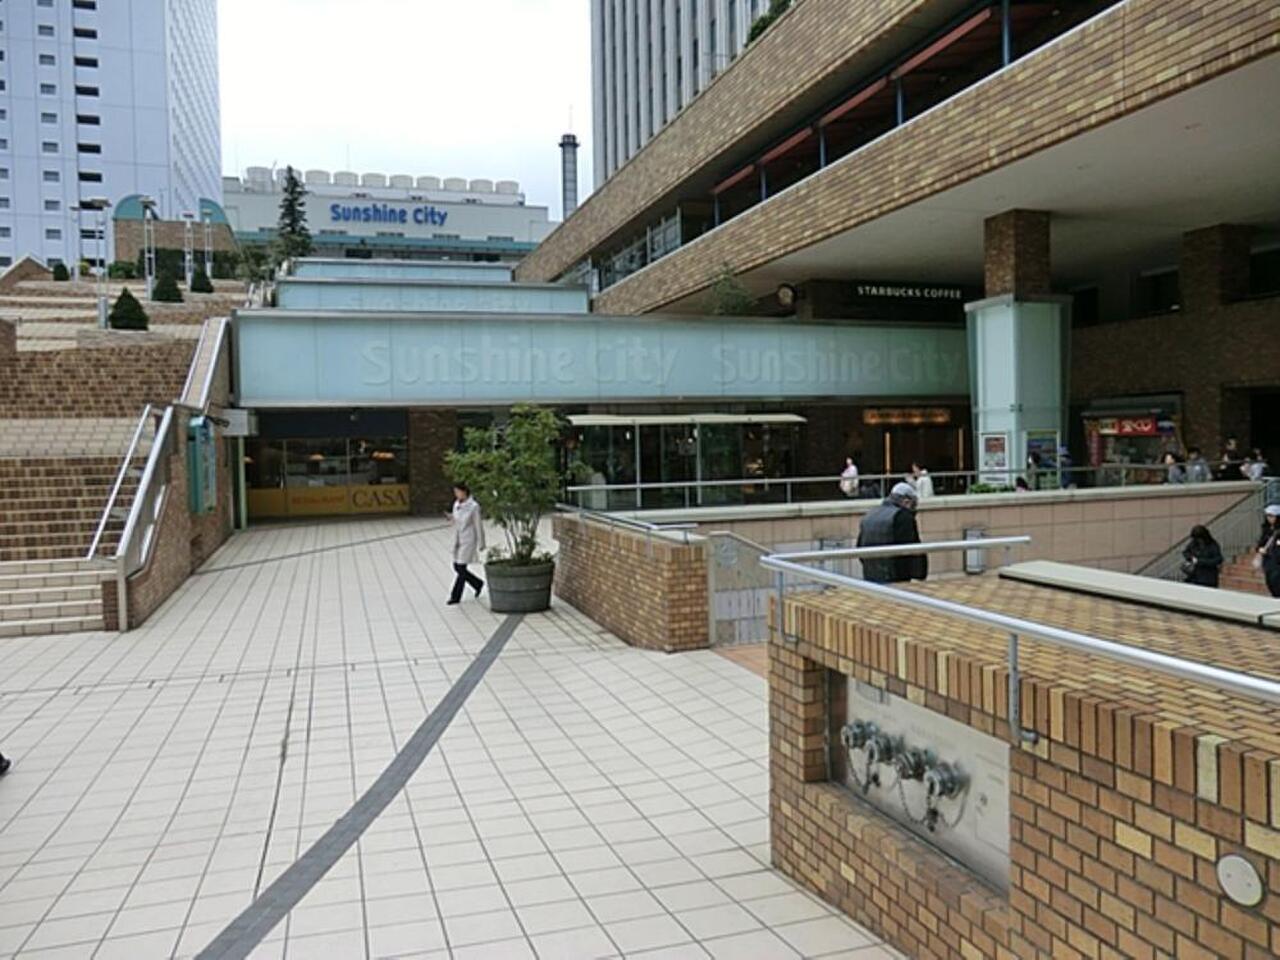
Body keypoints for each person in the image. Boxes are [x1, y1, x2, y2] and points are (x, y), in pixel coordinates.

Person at [855, 482, 927, 583]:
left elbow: (860, 547)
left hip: (871, 574)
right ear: (907, 502)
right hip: (895, 576)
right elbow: (911, 549)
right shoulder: (903, 517)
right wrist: (918, 574)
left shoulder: (870, 514)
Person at [446, 483, 485, 605]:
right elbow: (457, 520)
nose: (456, 494)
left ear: (464, 492)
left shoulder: (473, 506)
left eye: (458, 492)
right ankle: (477, 583)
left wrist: (481, 542)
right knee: (457, 566)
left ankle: (455, 596)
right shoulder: (456, 504)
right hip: (458, 538)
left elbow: (478, 524)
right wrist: (451, 518)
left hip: (469, 539)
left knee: (461, 567)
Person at [1258, 504, 1280, 598]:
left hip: (1277, 562)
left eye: (1271, 516)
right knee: (1270, 582)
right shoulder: (1267, 530)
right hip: (1268, 561)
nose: (1269, 518)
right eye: (1267, 516)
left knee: (1276, 581)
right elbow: (1260, 543)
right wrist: (1260, 549)